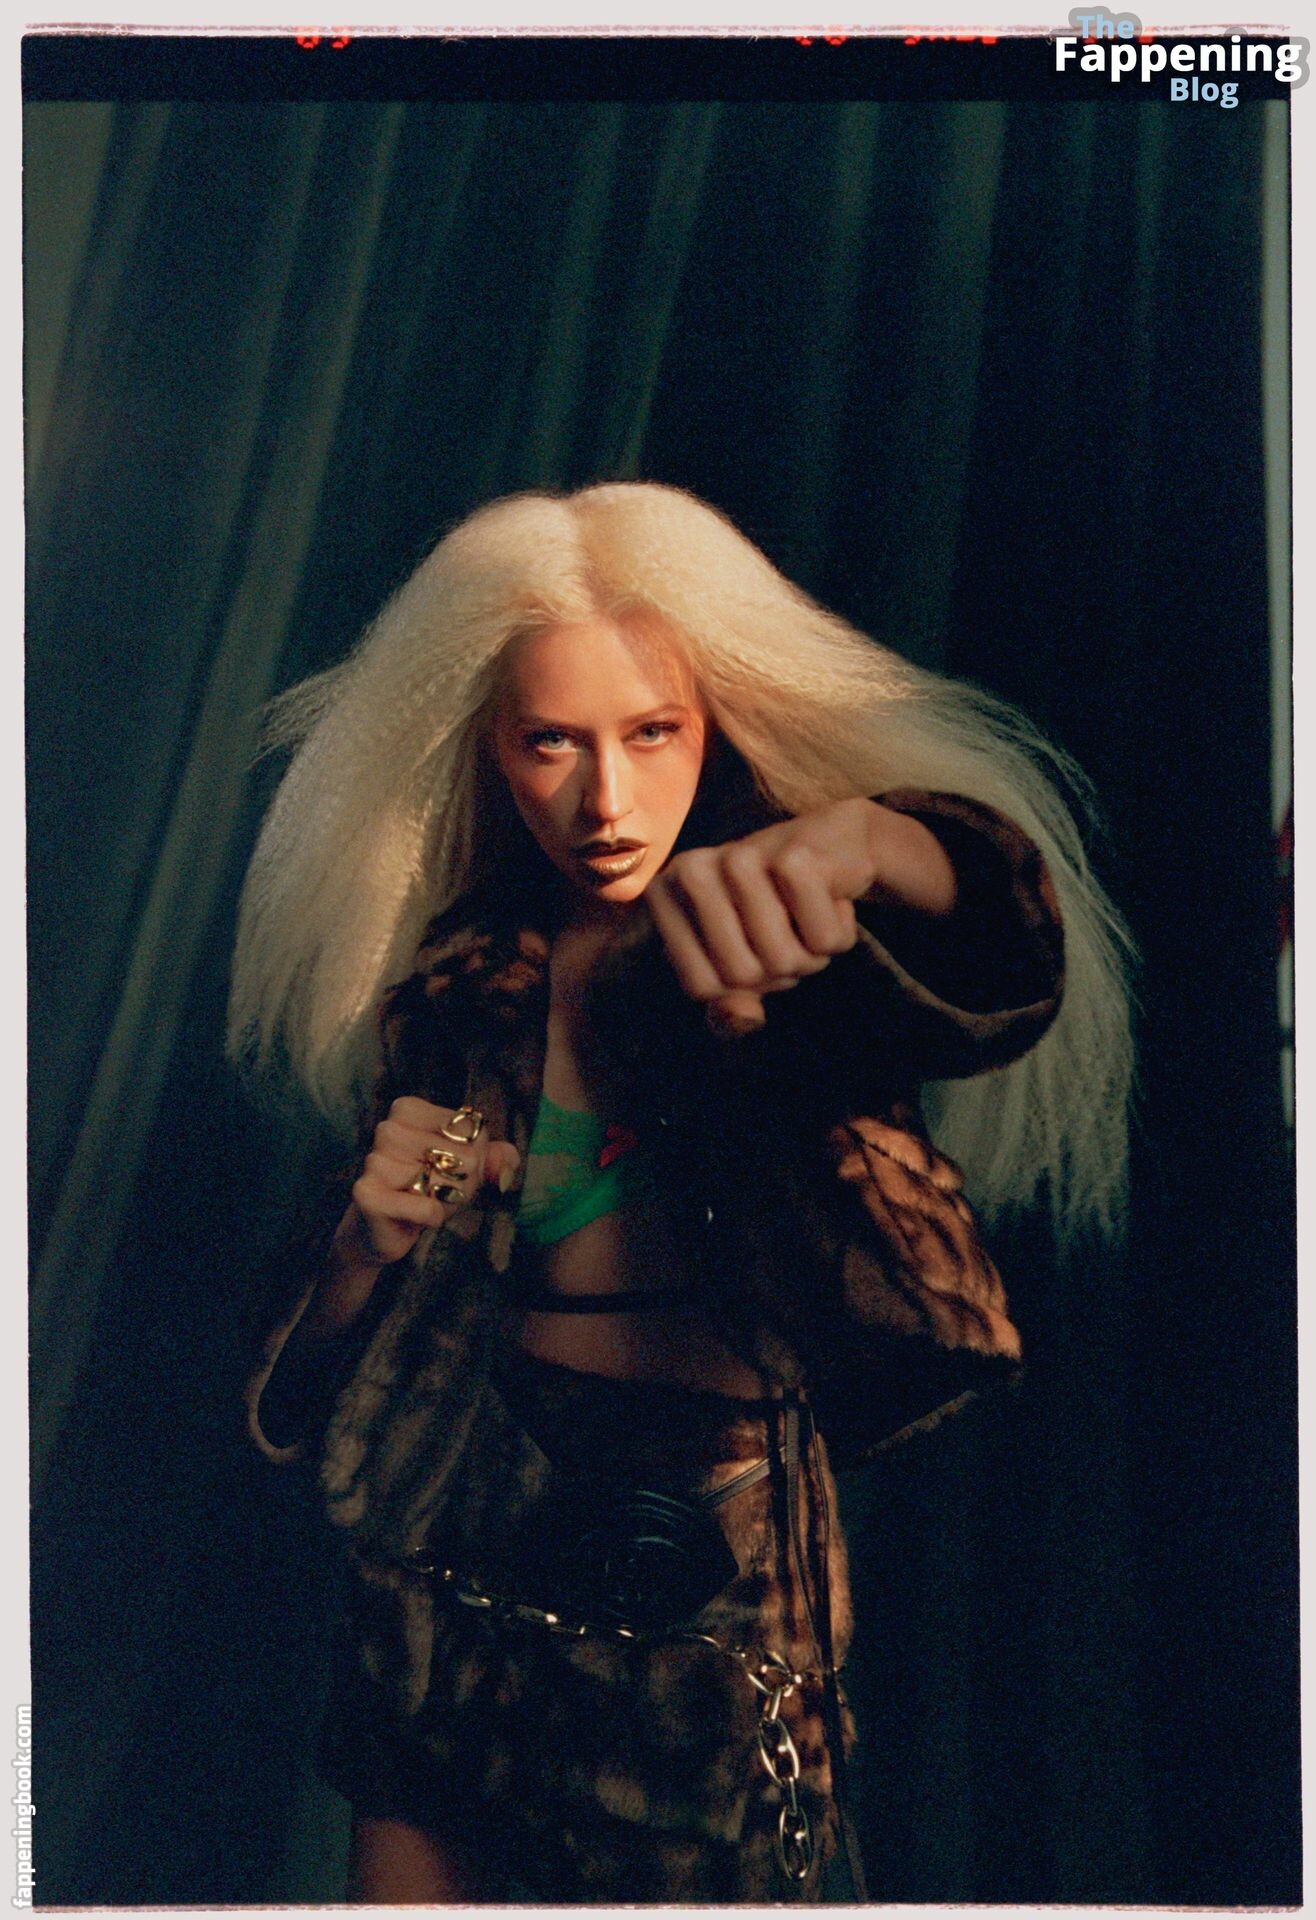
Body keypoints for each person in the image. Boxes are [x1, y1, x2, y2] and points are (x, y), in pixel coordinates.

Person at [231, 481, 1132, 1904]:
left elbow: (995, 966)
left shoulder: (770, 946)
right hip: (452, 1549)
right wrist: (363, 1242)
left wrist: (873, 842)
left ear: (718, 724)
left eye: (653, 732)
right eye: (551, 741)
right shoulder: (465, 986)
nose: (606, 799)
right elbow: (317, 1366)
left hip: (705, 1564)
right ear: (488, 750)